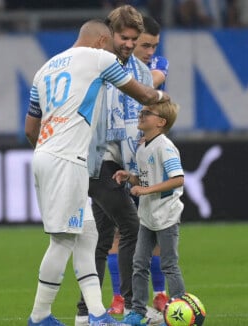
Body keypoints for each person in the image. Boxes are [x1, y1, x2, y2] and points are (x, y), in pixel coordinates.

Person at [24, 19, 168, 326]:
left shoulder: (45, 68)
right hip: (68, 160)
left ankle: (96, 315)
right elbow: (142, 94)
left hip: (45, 155)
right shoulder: (98, 58)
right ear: (103, 40)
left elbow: (30, 128)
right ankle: (39, 316)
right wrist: (161, 98)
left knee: (87, 235)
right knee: (62, 241)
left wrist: (50, 147)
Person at [75, 6, 162, 326]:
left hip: (120, 163)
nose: (128, 43)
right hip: (95, 160)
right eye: (123, 37)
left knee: (101, 236)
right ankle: (130, 306)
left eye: (133, 39)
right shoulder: (94, 66)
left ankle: (85, 313)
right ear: (109, 35)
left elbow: (141, 114)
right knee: (131, 226)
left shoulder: (138, 72)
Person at [103, 14, 171, 316]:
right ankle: (120, 296)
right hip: (113, 154)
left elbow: (153, 83)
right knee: (121, 228)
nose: (149, 51)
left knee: (151, 225)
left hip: (143, 153)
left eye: (152, 46)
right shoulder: (113, 64)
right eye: (144, 45)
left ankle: (159, 293)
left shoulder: (152, 67)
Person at [113, 101, 186, 326]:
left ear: (161, 122)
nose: (141, 115)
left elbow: (178, 179)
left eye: (147, 113)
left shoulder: (164, 146)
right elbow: (144, 178)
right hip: (148, 215)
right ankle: (137, 311)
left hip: (166, 216)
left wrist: (145, 190)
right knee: (139, 263)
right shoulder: (143, 146)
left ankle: (179, 309)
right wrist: (130, 177)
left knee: (169, 265)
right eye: (141, 112)